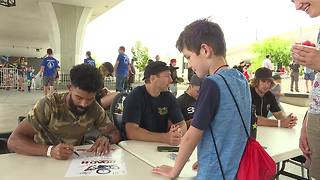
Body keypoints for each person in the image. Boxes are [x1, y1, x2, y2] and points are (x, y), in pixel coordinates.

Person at [152, 19, 251, 179]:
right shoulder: (240, 79)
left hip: (216, 173)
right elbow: (232, 127)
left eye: (189, 57)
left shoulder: (212, 83)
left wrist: (173, 171)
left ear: (205, 50)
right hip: (236, 167)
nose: (189, 64)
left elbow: (191, 136)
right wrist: (206, 156)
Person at [7, 64, 120, 160]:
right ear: (69, 87)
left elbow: (114, 132)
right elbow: (13, 141)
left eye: (90, 99)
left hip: (71, 162)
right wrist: (50, 151)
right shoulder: (48, 104)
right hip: (40, 160)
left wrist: (106, 138)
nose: (84, 104)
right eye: (79, 97)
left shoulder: (95, 108)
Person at [123, 61, 187, 146]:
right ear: (152, 78)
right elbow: (131, 132)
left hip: (160, 146)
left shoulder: (168, 97)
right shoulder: (135, 97)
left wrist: (177, 134)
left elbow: (182, 124)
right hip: (136, 147)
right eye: (167, 76)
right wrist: (165, 138)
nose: (171, 80)